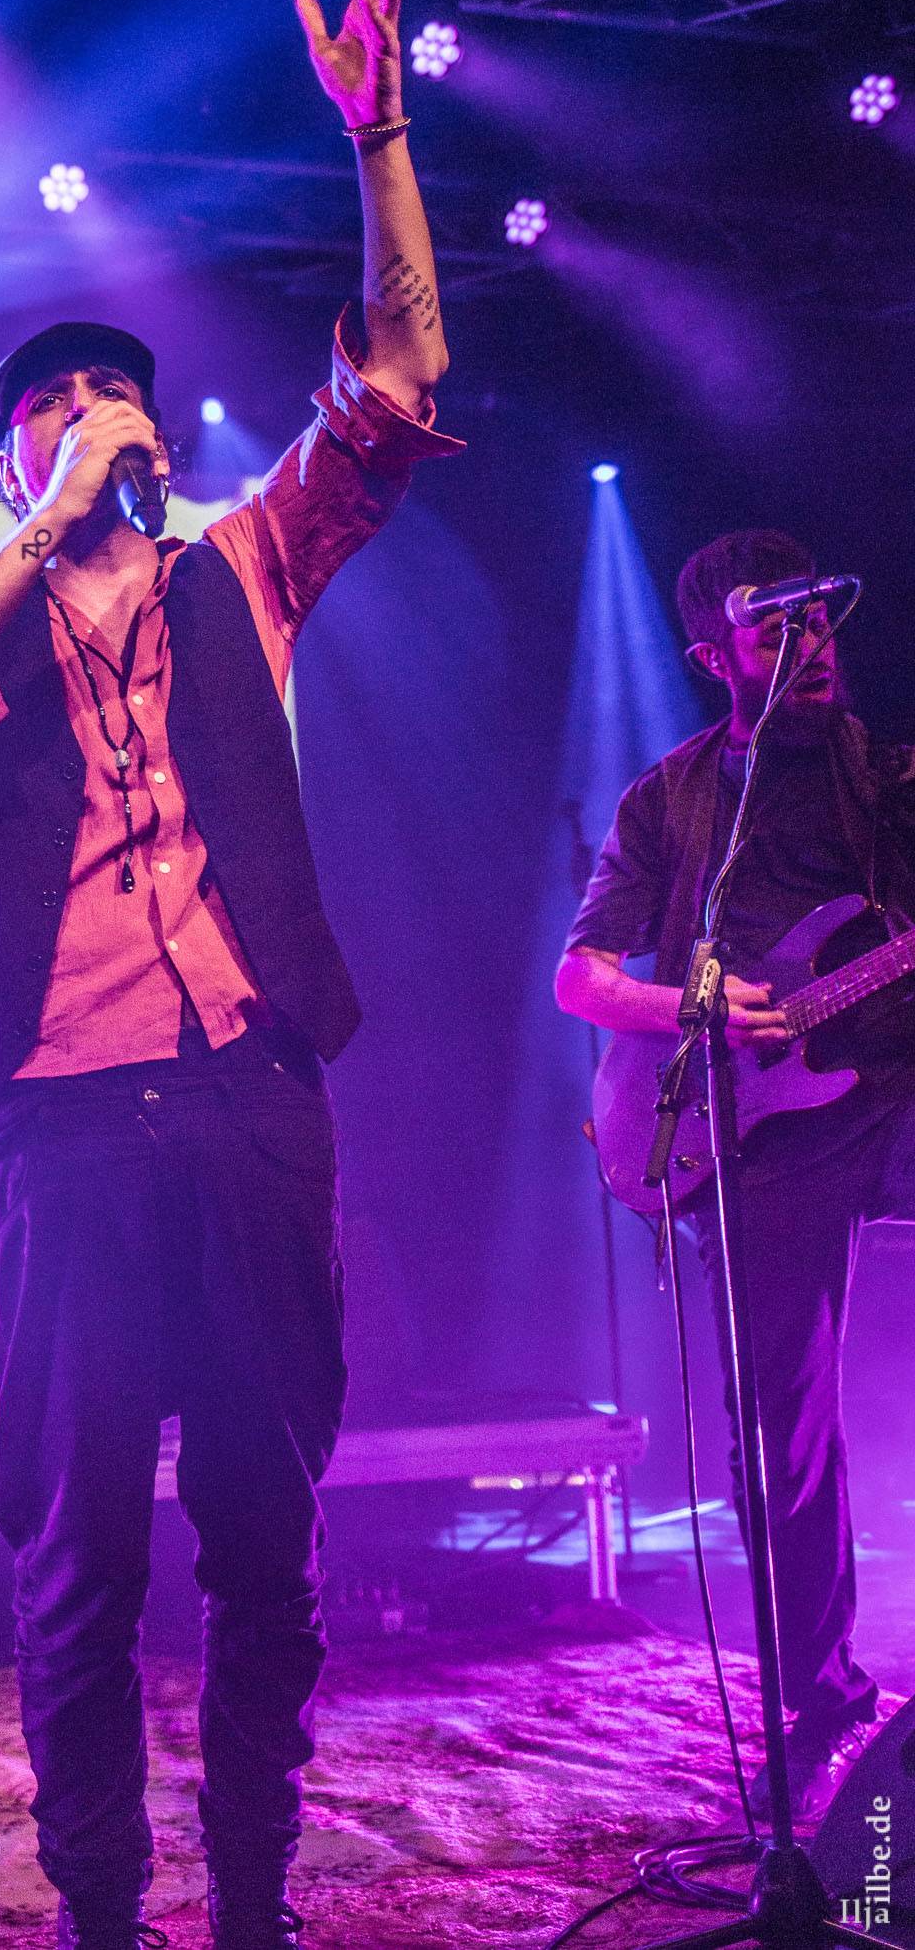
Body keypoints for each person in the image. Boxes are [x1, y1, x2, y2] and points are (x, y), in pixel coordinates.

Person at [0, 0, 460, 1949]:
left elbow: (397, 380)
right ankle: (103, 1911)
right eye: (54, 401)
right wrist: (37, 534)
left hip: (251, 1108)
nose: (95, 409)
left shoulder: (238, 569)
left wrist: (376, 141)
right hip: (64, 1134)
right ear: (5, 452)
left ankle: (255, 1899)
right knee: (79, 1559)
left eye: (117, 390)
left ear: (162, 437)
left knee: (266, 1543)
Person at [556, 529, 915, 1825]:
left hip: (896, 1086)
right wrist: (694, 1005)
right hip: (758, 1125)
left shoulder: (890, 776)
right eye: (776, 629)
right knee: (781, 1430)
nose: (810, 646)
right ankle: (820, 1700)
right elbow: (581, 976)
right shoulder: (673, 798)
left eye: (819, 621)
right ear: (718, 657)